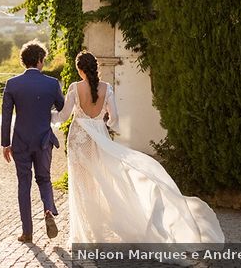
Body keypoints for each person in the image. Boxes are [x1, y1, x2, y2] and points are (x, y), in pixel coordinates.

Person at [53, 51, 225, 245]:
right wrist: (103, 125)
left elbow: (63, 116)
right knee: (101, 182)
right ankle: (99, 232)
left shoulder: (75, 88)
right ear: (95, 67)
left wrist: (47, 117)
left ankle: (86, 234)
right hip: (99, 139)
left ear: (79, 69)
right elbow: (115, 118)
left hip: (78, 141)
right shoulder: (107, 88)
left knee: (81, 185)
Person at [1, 40, 65, 243]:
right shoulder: (52, 84)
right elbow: (62, 109)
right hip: (44, 140)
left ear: (23, 61)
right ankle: (48, 209)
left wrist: (5, 143)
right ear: (39, 60)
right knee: (44, 179)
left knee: (24, 184)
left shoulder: (12, 84)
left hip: (20, 141)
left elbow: (6, 116)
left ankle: (27, 232)